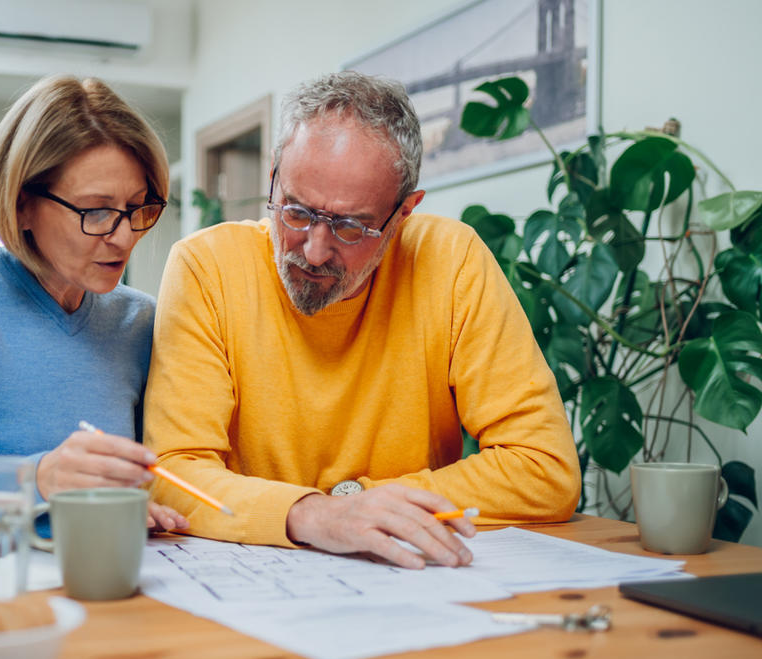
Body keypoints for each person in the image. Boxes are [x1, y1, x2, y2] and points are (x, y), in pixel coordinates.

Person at [144, 71, 580, 569]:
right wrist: (314, 515)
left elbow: (545, 469)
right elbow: (173, 475)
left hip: (406, 578)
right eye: (296, 211)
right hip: (246, 576)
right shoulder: (206, 268)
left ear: (403, 214)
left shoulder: (451, 261)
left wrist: (358, 502)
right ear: (273, 178)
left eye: (350, 227)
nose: (313, 249)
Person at [0, 74, 188, 544]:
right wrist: (43, 477)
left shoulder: (140, 321)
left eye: (137, 208)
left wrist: (140, 501)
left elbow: (145, 476)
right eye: (96, 211)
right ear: (22, 204)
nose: (124, 236)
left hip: (86, 561)